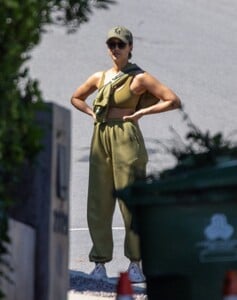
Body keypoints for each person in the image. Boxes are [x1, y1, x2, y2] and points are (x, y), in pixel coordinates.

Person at [71, 26, 181, 283]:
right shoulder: (100, 77)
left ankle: (135, 263)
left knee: (130, 200)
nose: (116, 49)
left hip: (126, 138)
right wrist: (92, 113)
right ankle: (99, 262)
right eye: (112, 45)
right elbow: (76, 97)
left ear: (130, 47)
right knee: (98, 200)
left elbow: (172, 100)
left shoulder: (139, 78)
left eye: (120, 45)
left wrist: (142, 113)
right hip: (101, 135)